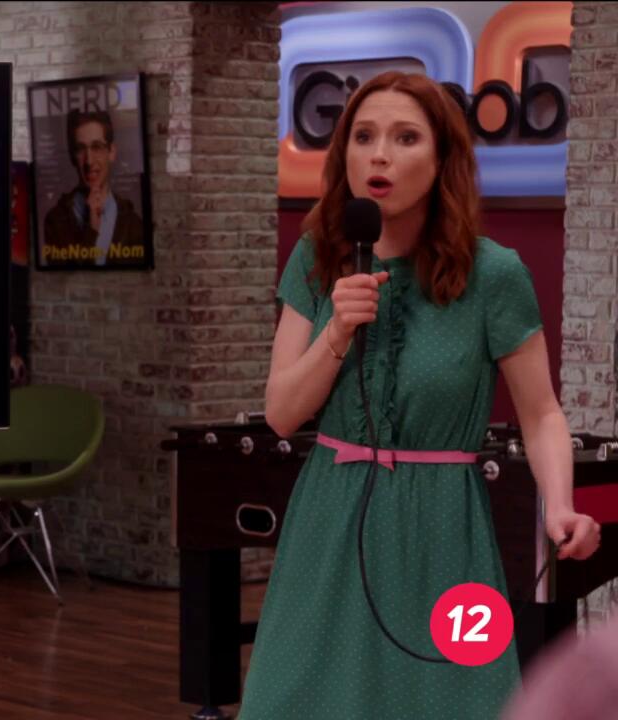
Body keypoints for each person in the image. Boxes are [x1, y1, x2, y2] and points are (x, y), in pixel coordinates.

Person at [240, 71, 601, 719]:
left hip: (446, 530)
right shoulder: (316, 257)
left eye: (406, 138)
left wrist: (561, 506)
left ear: (442, 161)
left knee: (460, 698)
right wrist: (336, 332)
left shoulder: (494, 274)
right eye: (363, 137)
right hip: (328, 523)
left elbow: (542, 412)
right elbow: (281, 413)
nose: (379, 155)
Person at [41, 109, 145, 266]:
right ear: (72, 157)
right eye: (81, 149)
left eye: (97, 147)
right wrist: (91, 231)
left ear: (112, 152)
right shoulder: (55, 220)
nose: (89, 161)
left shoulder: (133, 223)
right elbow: (67, 279)